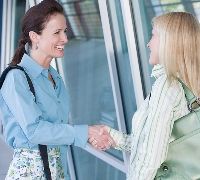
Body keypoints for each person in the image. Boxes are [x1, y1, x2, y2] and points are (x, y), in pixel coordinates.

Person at [0, 0, 114, 179]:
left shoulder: (55, 77)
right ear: (35, 36)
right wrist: (85, 132)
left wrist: (91, 134)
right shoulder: (16, 78)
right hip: (31, 174)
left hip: (59, 170)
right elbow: (35, 130)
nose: (65, 39)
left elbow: (57, 128)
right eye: (57, 32)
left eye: (65, 31)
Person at [102, 12, 200, 179]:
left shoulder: (167, 86)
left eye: (153, 36)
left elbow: (150, 158)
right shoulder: (191, 82)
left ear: (169, 43)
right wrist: (115, 138)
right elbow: (156, 142)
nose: (148, 44)